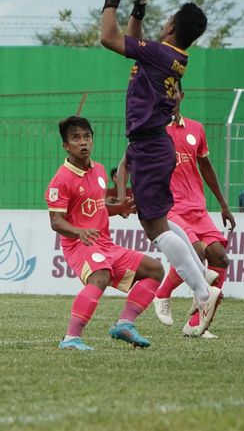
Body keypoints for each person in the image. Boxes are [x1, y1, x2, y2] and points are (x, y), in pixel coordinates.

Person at [99, 0, 220, 336]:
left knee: (154, 228)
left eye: (166, 20)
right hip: (153, 144)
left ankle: (202, 291)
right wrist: (142, 3)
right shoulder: (172, 56)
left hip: (150, 145)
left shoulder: (158, 55)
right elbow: (134, 39)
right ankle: (203, 274)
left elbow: (108, 37)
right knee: (162, 222)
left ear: (170, 28)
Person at [46, 116, 163, 351]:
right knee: (100, 276)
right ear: (66, 146)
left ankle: (125, 324)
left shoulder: (98, 170)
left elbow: (95, 208)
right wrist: (79, 232)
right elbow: (56, 222)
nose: (83, 142)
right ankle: (71, 339)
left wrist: (118, 208)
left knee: (155, 270)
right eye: (76, 138)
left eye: (87, 137)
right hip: (78, 245)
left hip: (105, 244)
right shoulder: (61, 180)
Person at [149, 83, 235, 338]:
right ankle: (162, 293)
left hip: (197, 207)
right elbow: (131, 163)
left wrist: (223, 204)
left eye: (173, 91)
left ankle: (198, 321)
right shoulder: (152, 130)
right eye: (165, 91)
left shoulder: (196, 129)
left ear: (181, 96)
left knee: (220, 258)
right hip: (170, 206)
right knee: (196, 252)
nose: (170, 96)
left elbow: (206, 166)